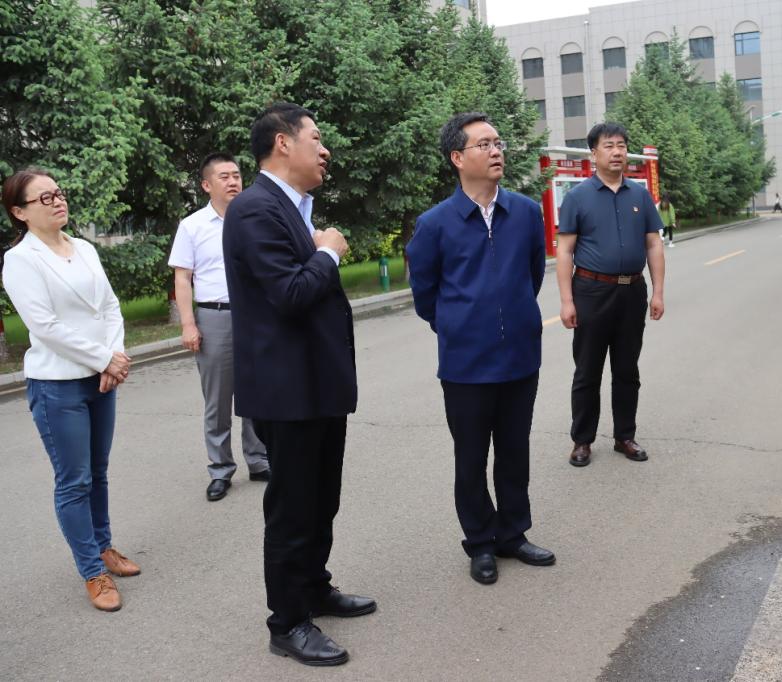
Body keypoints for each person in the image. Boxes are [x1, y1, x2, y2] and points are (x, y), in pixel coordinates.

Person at [222, 103, 375, 667]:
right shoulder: (254, 209)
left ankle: (313, 586)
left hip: (316, 383)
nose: (325, 149)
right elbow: (289, 294)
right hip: (287, 390)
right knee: (292, 508)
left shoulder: (290, 207)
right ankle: (287, 622)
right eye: (316, 138)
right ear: (283, 143)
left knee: (321, 498)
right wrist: (329, 252)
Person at [407, 112, 555, 586]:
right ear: (457, 157)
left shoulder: (525, 213)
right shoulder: (434, 224)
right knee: (470, 458)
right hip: (466, 365)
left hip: (519, 358)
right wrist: (458, 325)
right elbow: (425, 294)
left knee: (514, 451)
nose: (496, 151)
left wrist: (514, 316)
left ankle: (513, 533)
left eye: (498, 143)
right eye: (484, 144)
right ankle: (480, 541)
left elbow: (532, 275)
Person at [2, 168, 141, 612]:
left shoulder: (84, 248)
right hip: (58, 385)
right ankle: (92, 571)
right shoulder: (20, 260)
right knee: (74, 480)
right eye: (44, 198)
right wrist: (104, 359)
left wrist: (115, 355)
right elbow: (44, 325)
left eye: (58, 193)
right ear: (20, 212)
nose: (58, 200)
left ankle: (104, 546)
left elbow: (110, 306)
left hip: (101, 377)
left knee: (98, 472)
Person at [556, 122, 665, 467]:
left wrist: (658, 292)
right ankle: (582, 440)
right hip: (591, 291)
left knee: (627, 369)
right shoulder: (577, 197)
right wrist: (567, 301)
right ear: (594, 153)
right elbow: (564, 251)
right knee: (587, 370)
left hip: (632, 291)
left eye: (621, 145)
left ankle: (624, 436)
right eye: (608, 146)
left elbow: (653, 244)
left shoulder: (640, 196)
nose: (617, 152)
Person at [168, 152, 269, 502]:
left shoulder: (254, 219)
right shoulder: (192, 226)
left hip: (254, 315)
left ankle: (259, 460)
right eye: (224, 176)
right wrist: (188, 324)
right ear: (206, 185)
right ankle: (220, 469)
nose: (233, 181)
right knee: (218, 400)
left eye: (237, 175)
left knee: (256, 391)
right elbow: (183, 278)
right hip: (215, 317)